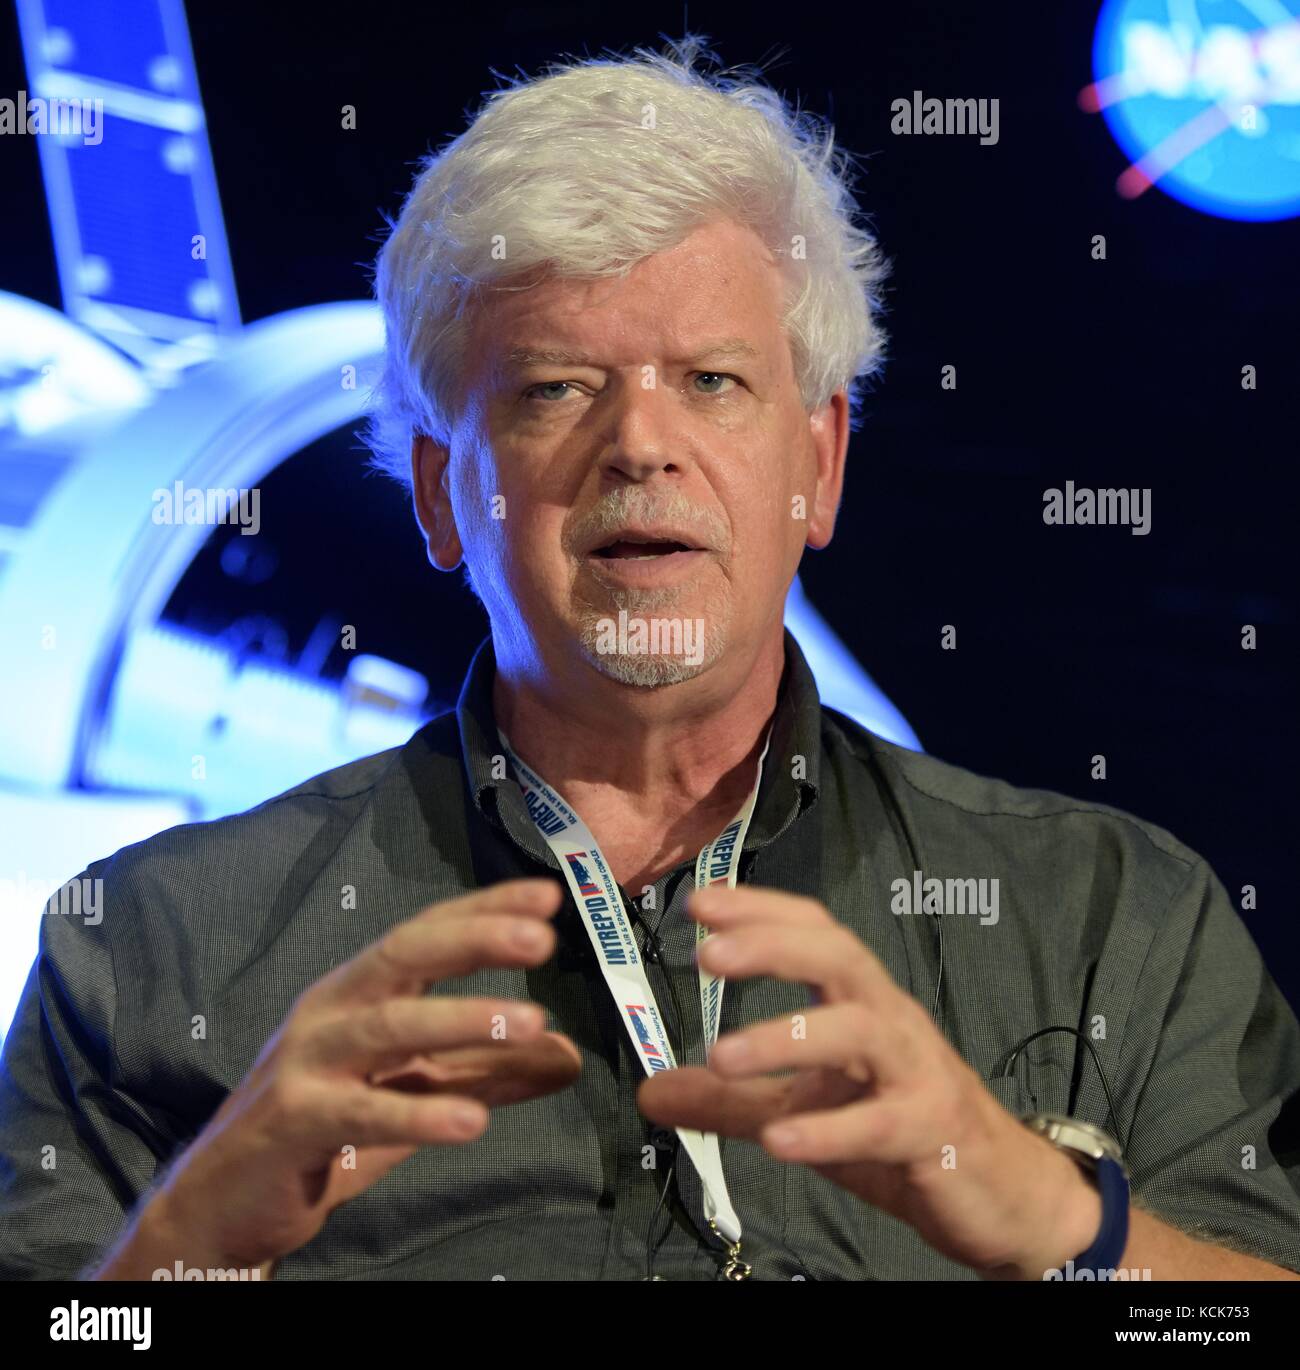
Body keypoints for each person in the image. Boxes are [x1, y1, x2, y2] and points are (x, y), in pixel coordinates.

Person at [1, 38, 1297, 1283]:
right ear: (444, 496)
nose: (640, 444)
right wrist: (201, 1240)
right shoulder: (148, 949)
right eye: (555, 388)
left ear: (822, 463)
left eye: (714, 381)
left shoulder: (1112, 917)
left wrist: (1059, 1222)